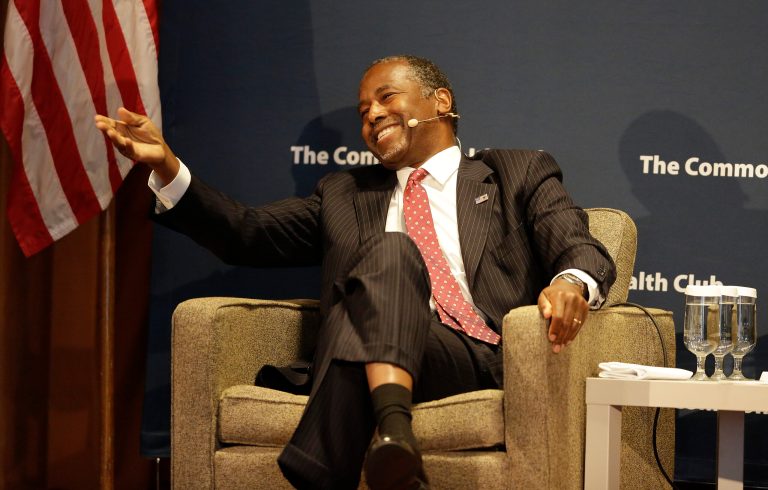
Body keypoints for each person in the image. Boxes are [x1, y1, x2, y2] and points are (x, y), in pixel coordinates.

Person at [95, 55, 615, 490]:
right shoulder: (344, 193)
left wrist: (571, 282)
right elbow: (245, 231)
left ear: (441, 103)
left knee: (374, 279)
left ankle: (347, 455)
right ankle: (395, 440)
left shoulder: (515, 172)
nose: (371, 115)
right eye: (365, 110)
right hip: (377, 349)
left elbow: (580, 248)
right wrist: (165, 165)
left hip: (470, 354)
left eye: (387, 98)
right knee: (389, 257)